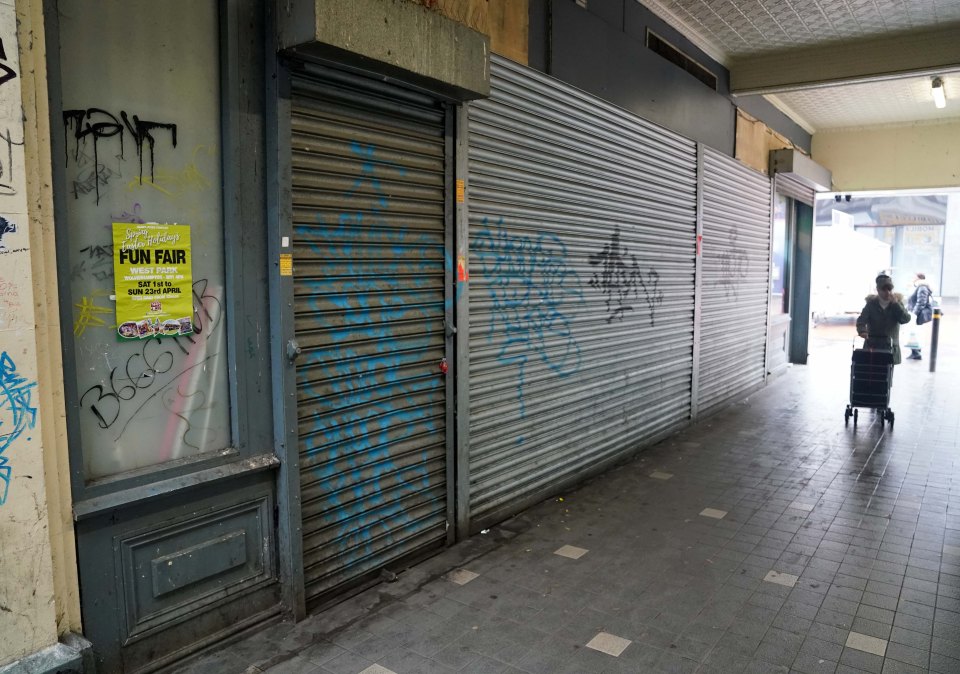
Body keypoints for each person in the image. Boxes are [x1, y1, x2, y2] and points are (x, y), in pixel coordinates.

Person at [856, 274, 912, 365]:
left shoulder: (897, 303)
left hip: (890, 347)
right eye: (884, 289)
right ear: (878, 290)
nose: (887, 292)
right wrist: (862, 331)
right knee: (871, 375)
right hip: (873, 346)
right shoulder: (871, 304)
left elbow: (905, 319)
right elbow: (861, 321)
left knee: (887, 376)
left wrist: (895, 305)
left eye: (889, 289)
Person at [905, 272, 933, 360]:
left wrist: (914, 314)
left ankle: (916, 352)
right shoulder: (917, 287)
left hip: (917, 314)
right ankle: (916, 352)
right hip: (915, 313)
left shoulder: (922, 287)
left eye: (914, 277)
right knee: (914, 333)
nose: (912, 278)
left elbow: (921, 302)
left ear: (919, 278)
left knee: (914, 333)